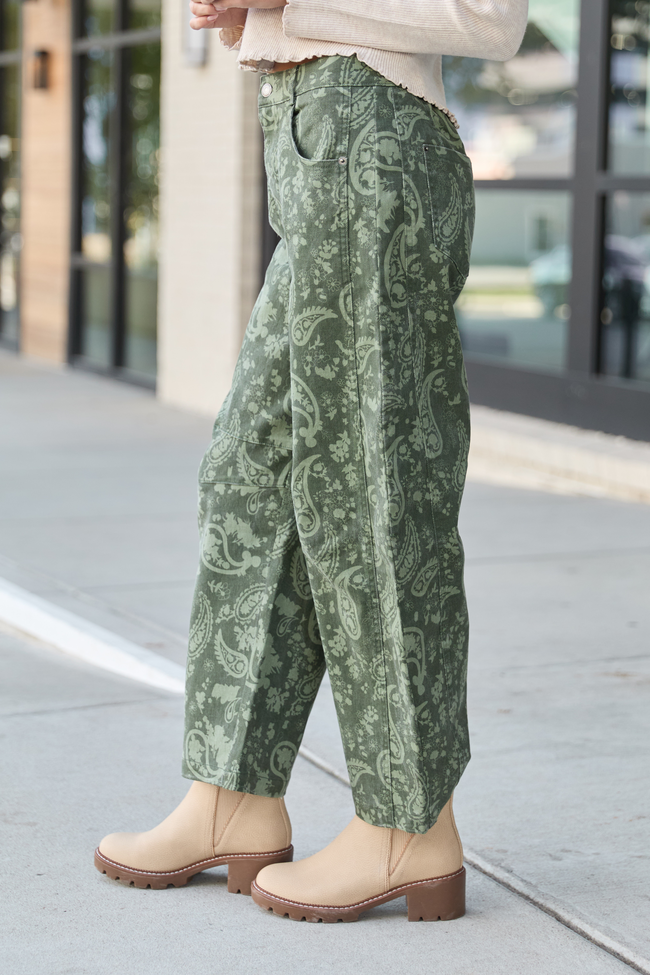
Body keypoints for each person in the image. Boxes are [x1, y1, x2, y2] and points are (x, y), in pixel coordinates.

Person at [94, 0, 528, 923]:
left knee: (371, 492)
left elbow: (489, 17)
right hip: (311, 142)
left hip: (375, 145)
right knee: (251, 475)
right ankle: (233, 794)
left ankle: (410, 822)